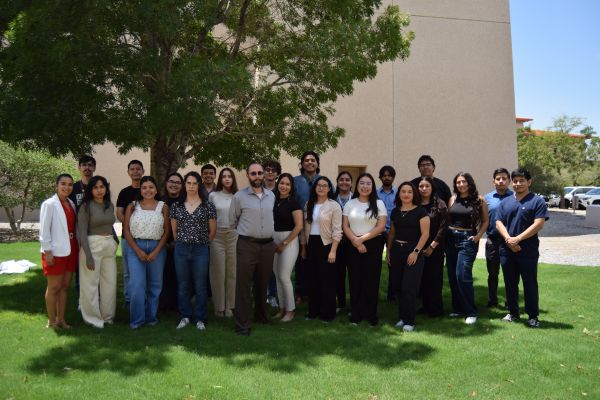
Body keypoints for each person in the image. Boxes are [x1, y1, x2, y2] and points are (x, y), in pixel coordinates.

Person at [496, 168, 548, 328]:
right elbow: (498, 222)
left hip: (528, 251)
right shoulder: (505, 202)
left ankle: (533, 316)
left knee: (530, 283)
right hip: (507, 250)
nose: (518, 184)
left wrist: (517, 239)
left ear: (529, 182)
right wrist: (508, 239)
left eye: (522, 181)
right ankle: (513, 312)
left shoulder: (537, 201)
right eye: (516, 181)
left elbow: (538, 223)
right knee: (510, 283)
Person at [229, 162, 276, 336]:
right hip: (247, 245)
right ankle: (242, 324)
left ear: (263, 175)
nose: (257, 176)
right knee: (243, 285)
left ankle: (261, 316)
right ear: (248, 175)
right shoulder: (239, 197)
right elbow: (232, 220)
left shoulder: (271, 195)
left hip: (267, 245)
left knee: (262, 283)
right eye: (253, 173)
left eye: (260, 173)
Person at [170, 171, 217, 330]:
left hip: (200, 250)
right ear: (184, 185)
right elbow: (174, 231)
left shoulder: (207, 205)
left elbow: (212, 230)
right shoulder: (176, 205)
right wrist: (182, 242)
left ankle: (200, 318)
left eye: (194, 183)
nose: (191, 186)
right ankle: (184, 316)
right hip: (181, 249)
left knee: (200, 285)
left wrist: (202, 243)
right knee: (183, 284)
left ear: (199, 185)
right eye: (188, 183)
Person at [123, 176, 169, 329]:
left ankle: (151, 318)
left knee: (155, 285)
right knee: (136, 285)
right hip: (136, 246)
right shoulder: (132, 206)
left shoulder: (163, 206)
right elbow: (126, 230)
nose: (148, 190)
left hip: (157, 247)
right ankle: (137, 320)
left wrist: (156, 251)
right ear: (140, 190)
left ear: (156, 189)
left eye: (151, 187)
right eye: (144, 188)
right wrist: (137, 250)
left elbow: (167, 231)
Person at [342, 173, 387, 326]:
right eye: (362, 183)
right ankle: (356, 314)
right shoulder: (350, 203)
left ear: (372, 186)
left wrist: (362, 239)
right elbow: (345, 226)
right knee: (355, 280)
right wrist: (355, 240)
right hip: (353, 244)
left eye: (368, 183)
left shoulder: (379, 203)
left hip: (373, 244)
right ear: (357, 185)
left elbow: (381, 227)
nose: (365, 186)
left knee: (371, 280)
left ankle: (371, 315)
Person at [446, 172, 489, 325]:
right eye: (458, 182)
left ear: (470, 183)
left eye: (464, 181)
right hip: (450, 239)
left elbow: (485, 221)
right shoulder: (453, 198)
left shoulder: (479, 200)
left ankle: (471, 312)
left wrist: (478, 237)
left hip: (467, 240)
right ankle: (457, 308)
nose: (461, 184)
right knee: (452, 276)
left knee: (462, 275)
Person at [387, 182, 430, 331]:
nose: (406, 194)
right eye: (403, 191)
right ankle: (403, 317)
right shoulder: (395, 212)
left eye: (409, 192)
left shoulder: (421, 211)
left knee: (408, 287)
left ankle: (409, 321)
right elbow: (392, 233)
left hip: (413, 250)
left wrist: (416, 252)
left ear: (414, 194)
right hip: (396, 251)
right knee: (397, 286)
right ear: (399, 194)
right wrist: (388, 251)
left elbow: (425, 234)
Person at [77, 176, 118, 328]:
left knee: (110, 283)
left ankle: (107, 317)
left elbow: (111, 225)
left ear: (106, 188)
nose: (99, 190)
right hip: (92, 246)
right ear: (91, 190)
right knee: (90, 284)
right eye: (95, 187)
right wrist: (88, 255)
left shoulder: (109, 205)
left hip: (109, 246)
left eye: (102, 187)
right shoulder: (86, 206)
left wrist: (114, 241)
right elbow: (81, 232)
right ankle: (93, 318)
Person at [39, 174, 78, 329]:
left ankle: (61, 319)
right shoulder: (49, 204)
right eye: (63, 184)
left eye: (70, 184)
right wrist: (48, 251)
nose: (67, 187)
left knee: (65, 286)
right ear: (56, 185)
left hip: (71, 248)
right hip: (55, 251)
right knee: (54, 287)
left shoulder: (71, 204)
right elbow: (44, 231)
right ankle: (52, 320)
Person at [301, 176, 342, 322]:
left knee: (327, 281)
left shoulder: (334, 206)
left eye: (325, 185)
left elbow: (338, 230)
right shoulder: (308, 204)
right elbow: (304, 229)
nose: (321, 188)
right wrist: (304, 248)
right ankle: (313, 312)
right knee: (313, 280)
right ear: (315, 188)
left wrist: (333, 250)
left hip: (327, 245)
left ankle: (327, 314)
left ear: (329, 189)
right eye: (319, 185)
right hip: (311, 244)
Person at [272, 173, 303, 322]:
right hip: (273, 239)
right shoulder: (273, 200)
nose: (284, 186)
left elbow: (299, 226)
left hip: (289, 240)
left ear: (291, 188)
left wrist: (284, 243)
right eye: (282, 183)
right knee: (277, 276)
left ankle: (290, 311)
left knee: (284, 276)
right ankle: (282, 308)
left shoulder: (294, 203)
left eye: (287, 184)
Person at [417, 176, 449, 317]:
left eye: (427, 186)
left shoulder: (440, 205)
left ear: (432, 188)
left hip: (435, 247)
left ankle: (436, 310)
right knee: (422, 278)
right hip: (418, 246)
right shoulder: (416, 204)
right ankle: (425, 306)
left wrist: (432, 246)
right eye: (421, 186)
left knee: (434, 278)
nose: (424, 189)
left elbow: (443, 228)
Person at [209, 168, 238, 318]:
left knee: (232, 273)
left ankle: (230, 306)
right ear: (220, 179)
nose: (227, 179)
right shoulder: (213, 195)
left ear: (233, 179)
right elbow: (209, 217)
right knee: (218, 273)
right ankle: (219, 306)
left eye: (229, 176)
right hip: (217, 236)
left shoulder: (238, 196)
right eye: (224, 176)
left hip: (233, 235)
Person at [68, 155, 96, 310]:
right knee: (81, 267)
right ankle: (81, 300)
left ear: (94, 168)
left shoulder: (98, 186)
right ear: (79, 168)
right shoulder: (74, 188)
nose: (87, 168)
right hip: (79, 233)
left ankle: (95, 298)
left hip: (96, 232)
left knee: (95, 266)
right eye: (84, 165)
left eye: (90, 165)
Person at [293, 151, 321, 302]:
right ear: (302, 163)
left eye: (313, 160)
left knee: (317, 262)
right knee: (301, 261)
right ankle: (299, 293)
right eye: (306, 160)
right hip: (299, 227)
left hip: (320, 228)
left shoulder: (323, 181)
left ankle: (314, 292)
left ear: (317, 163)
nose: (310, 162)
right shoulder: (295, 181)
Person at [483, 168, 513, 308]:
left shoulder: (514, 197)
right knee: (492, 273)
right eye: (498, 178)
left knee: (510, 272)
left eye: (504, 178)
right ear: (493, 181)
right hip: (492, 240)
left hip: (509, 241)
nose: (501, 181)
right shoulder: (487, 198)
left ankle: (510, 301)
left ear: (509, 181)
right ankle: (492, 300)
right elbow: (482, 218)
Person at [116, 159, 144, 305]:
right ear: (128, 173)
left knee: (144, 269)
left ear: (143, 171)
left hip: (146, 237)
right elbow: (119, 213)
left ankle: (143, 298)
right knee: (127, 271)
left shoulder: (148, 190)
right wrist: (130, 227)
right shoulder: (124, 192)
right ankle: (128, 299)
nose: (135, 171)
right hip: (128, 237)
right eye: (132, 169)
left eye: (138, 169)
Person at [159, 172, 184, 312]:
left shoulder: (185, 202)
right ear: (166, 183)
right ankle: (164, 304)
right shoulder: (160, 202)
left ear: (181, 186)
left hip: (180, 244)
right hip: (161, 244)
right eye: (171, 181)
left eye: (178, 182)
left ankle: (177, 304)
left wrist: (175, 241)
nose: (174, 184)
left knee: (178, 275)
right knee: (163, 275)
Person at [263, 160, 282, 308]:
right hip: (261, 231)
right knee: (262, 266)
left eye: (273, 170)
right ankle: (261, 294)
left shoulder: (281, 190)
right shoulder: (258, 190)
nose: (270, 172)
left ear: (277, 173)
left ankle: (273, 295)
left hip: (278, 231)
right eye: (267, 169)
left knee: (275, 267)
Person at [333, 171, 353, 311]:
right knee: (338, 274)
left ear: (351, 183)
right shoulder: (331, 198)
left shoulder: (357, 198)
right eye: (341, 179)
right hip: (337, 241)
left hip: (353, 240)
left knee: (354, 273)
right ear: (337, 182)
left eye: (347, 180)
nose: (344, 182)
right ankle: (341, 303)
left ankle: (355, 303)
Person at [377, 165, 397, 302]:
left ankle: (392, 295)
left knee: (393, 264)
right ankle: (372, 293)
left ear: (393, 177)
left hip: (394, 232)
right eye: (384, 175)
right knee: (375, 263)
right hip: (377, 232)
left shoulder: (398, 193)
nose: (387, 177)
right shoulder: (375, 193)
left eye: (389, 175)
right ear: (380, 178)